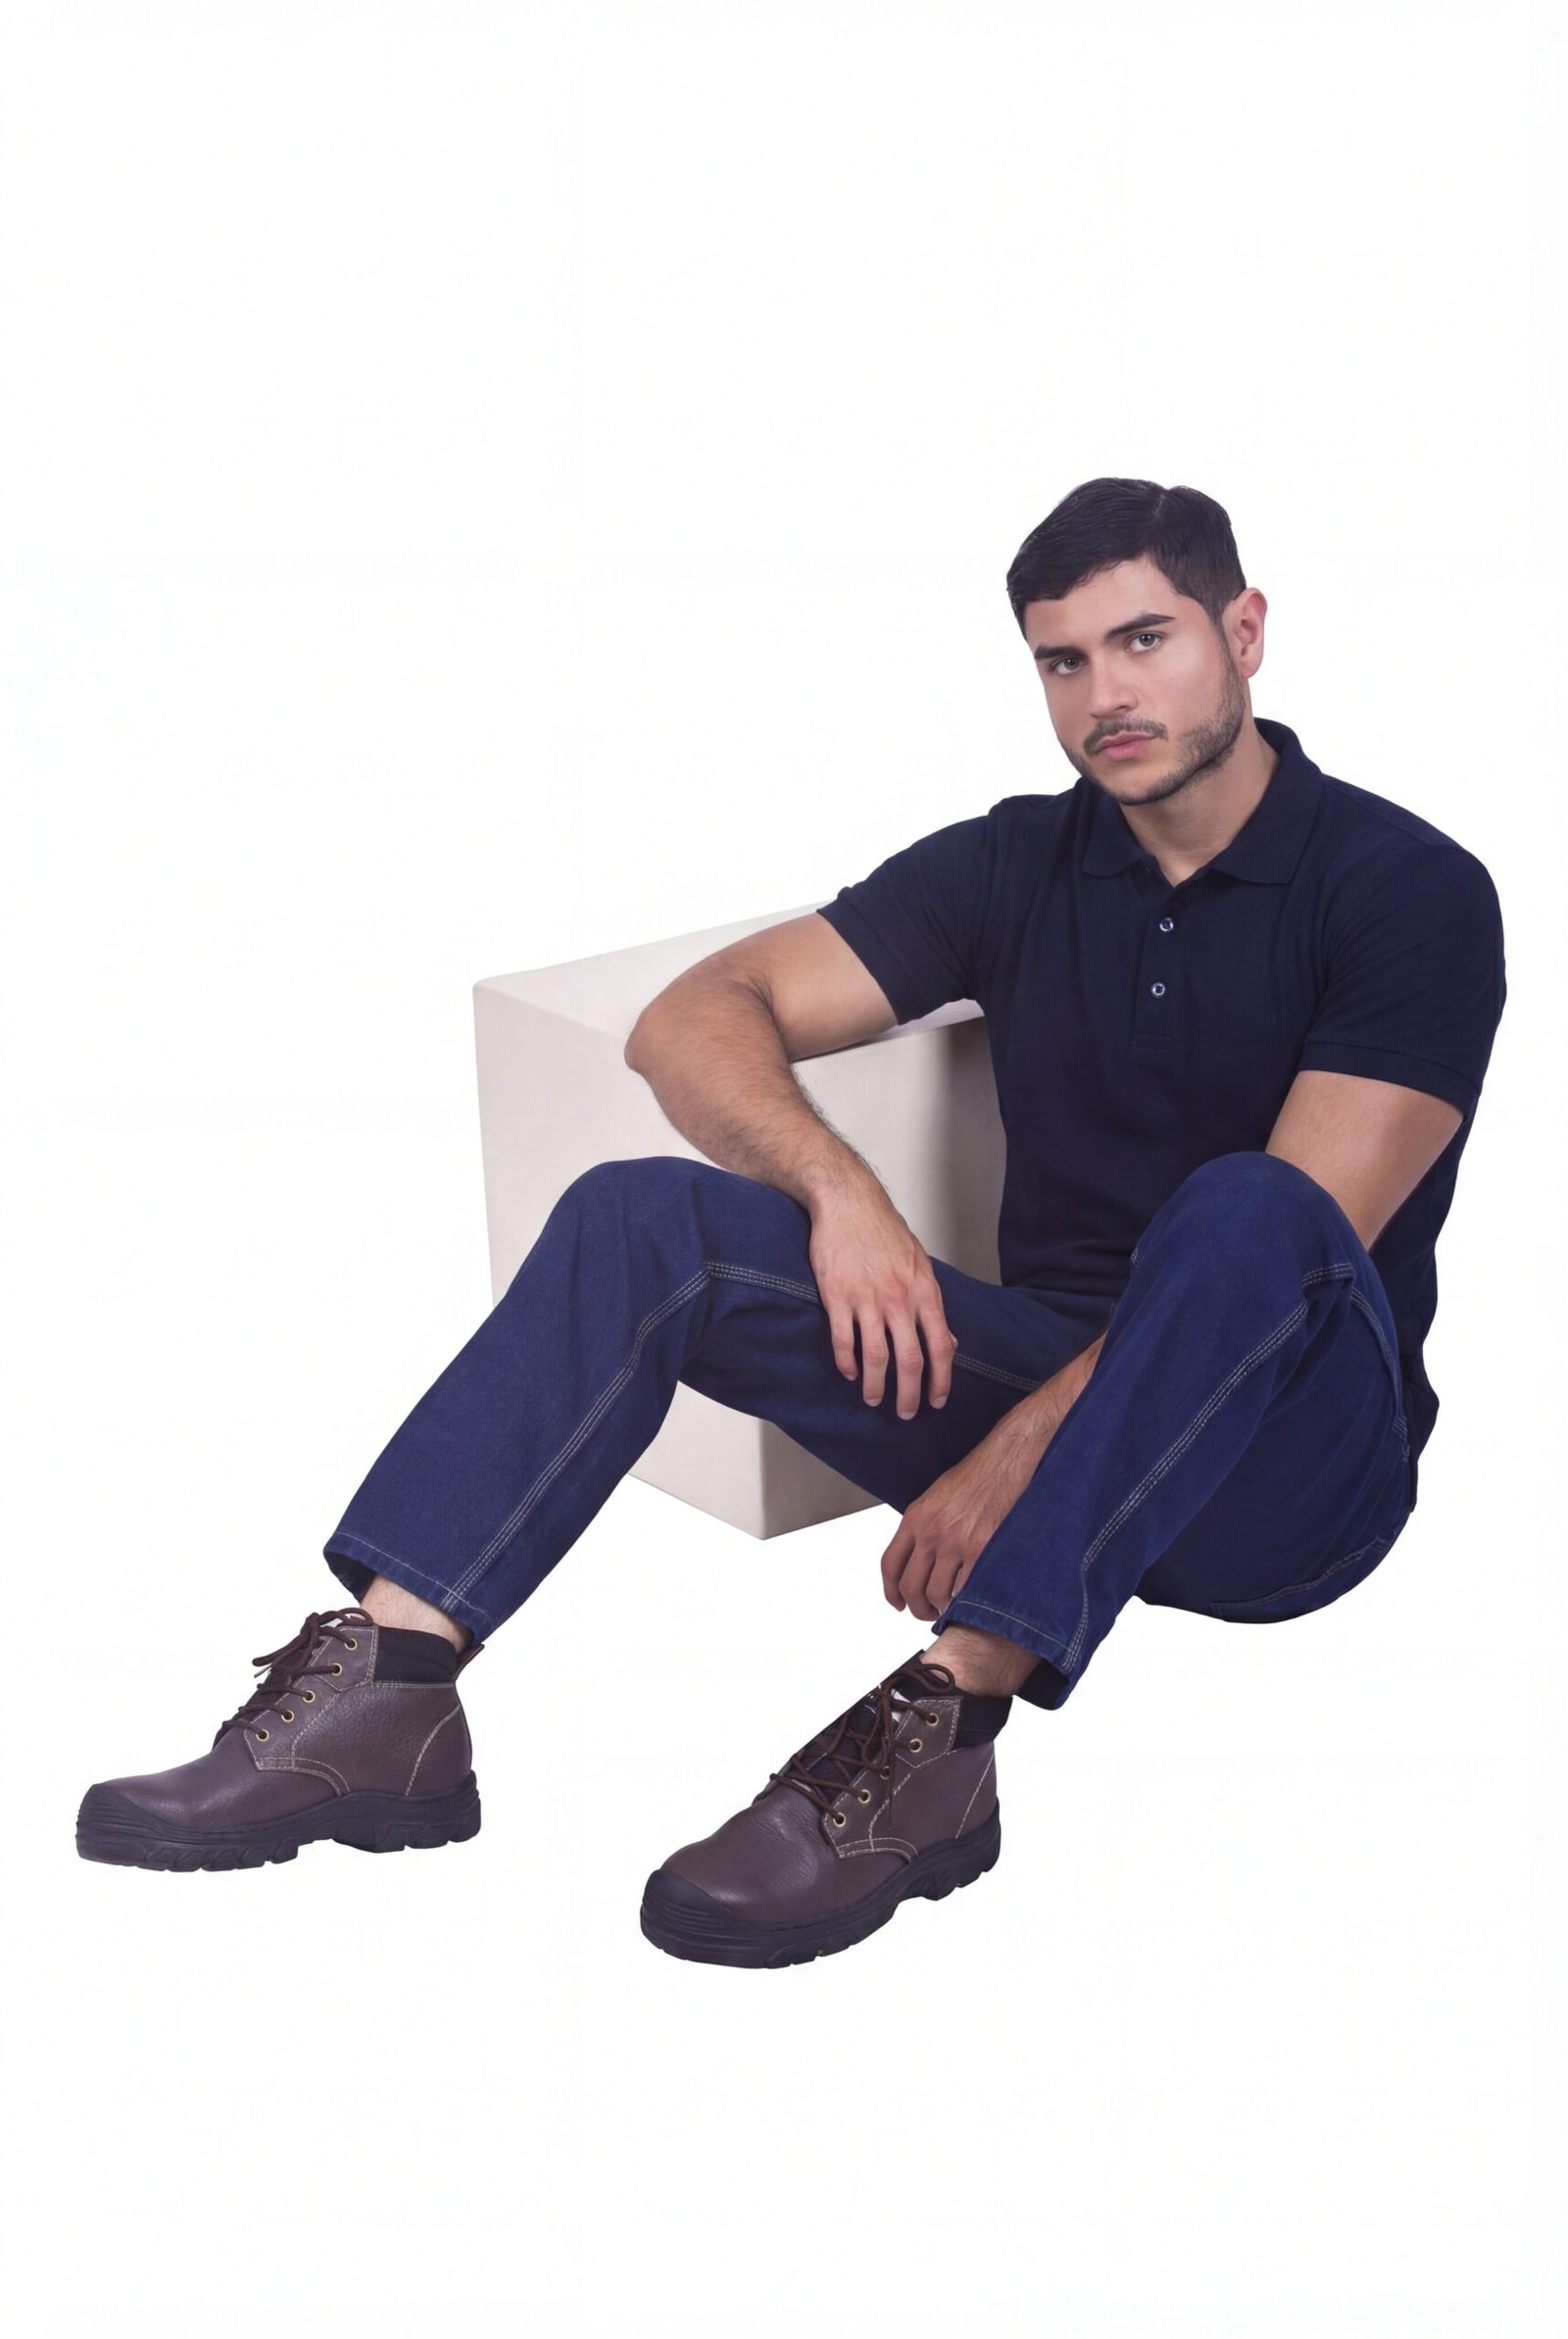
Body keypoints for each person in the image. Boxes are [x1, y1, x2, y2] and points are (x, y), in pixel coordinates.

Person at [75, 476, 1507, 1969]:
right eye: (1063, 661)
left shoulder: (1410, 892)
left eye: (1146, 640)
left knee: (1249, 1206)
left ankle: (943, 1725)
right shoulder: (1017, 860)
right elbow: (697, 1014)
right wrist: (843, 1192)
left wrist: (1013, 1460)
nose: (1106, 696)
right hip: (1035, 1374)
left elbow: (1301, 1240)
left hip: (1289, 1473)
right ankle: (392, 1686)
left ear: (1245, 632)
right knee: (641, 1216)